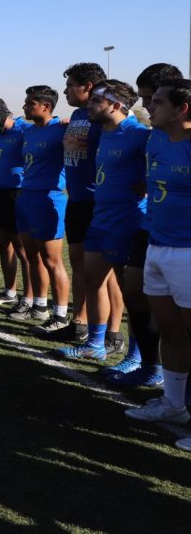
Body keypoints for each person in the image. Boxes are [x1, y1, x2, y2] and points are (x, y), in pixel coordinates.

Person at [104, 63, 185, 386]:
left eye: (152, 98)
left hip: (180, 238)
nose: (146, 105)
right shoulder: (153, 136)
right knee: (135, 294)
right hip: (150, 226)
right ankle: (147, 364)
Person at [59, 80, 149, 364]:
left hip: (127, 221)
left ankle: (137, 357)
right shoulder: (103, 132)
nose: (90, 104)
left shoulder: (138, 134)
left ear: (117, 105)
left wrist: (147, 183)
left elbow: (161, 165)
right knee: (92, 280)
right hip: (100, 218)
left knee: (133, 295)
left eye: (97, 100)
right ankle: (95, 344)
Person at [125, 78, 191, 446]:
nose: (149, 106)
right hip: (157, 245)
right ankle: (174, 405)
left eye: (159, 102)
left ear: (183, 109)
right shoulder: (157, 139)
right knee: (169, 330)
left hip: (187, 251)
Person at [54, 62, 108, 343]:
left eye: (69, 85)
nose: (65, 91)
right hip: (75, 200)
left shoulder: (104, 118)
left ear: (87, 87)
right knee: (79, 266)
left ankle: (110, 333)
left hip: (97, 202)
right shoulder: (76, 115)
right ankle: (79, 323)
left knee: (104, 274)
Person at [11, 85, 71, 330]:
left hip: (49, 198)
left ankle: (61, 315)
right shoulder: (28, 130)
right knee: (32, 257)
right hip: (26, 197)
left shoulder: (62, 129)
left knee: (52, 260)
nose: (24, 106)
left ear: (46, 107)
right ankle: (39, 306)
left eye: (30, 103)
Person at [0, 97, 37, 309]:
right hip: (0, 193)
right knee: (3, 244)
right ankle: (10, 292)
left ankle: (29, 298)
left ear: (1, 116)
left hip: (19, 194)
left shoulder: (24, 131)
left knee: (23, 250)